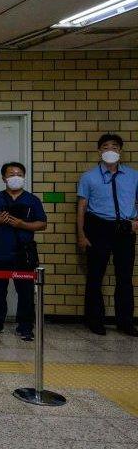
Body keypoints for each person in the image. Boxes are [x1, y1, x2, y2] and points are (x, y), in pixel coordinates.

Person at [77, 133, 138, 337]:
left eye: (114, 146)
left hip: (125, 229)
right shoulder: (89, 176)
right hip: (98, 227)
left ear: (120, 150)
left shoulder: (133, 175)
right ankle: (94, 321)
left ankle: (126, 322)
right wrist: (82, 235)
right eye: (105, 146)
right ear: (99, 151)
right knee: (95, 276)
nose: (109, 150)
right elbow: (82, 207)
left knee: (125, 277)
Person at [0, 162, 47, 341]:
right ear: (4, 178)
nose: (15, 177)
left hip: (24, 254)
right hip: (0, 252)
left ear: (24, 177)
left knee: (25, 292)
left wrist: (22, 224)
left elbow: (42, 223)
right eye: (11, 174)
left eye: (19, 174)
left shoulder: (32, 200)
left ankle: (25, 327)